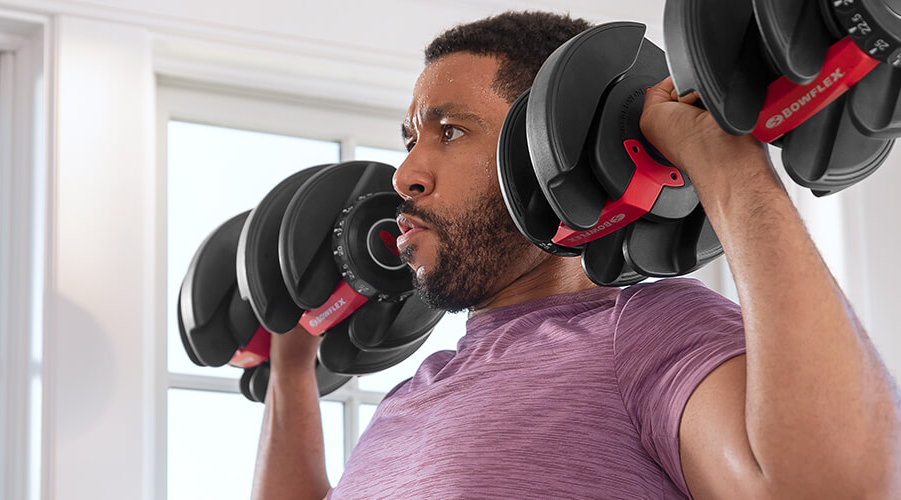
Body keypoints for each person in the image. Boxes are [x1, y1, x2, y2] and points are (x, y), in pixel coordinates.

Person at [251, 11, 901, 500]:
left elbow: (838, 485)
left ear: (541, 152)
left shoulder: (643, 333)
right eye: (409, 137)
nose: (405, 174)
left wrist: (726, 167)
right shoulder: (407, 399)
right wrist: (291, 367)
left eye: (449, 132)